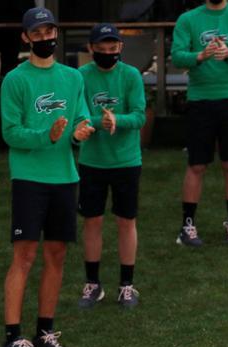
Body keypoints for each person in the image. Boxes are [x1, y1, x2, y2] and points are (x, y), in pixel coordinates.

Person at [0, 7, 95, 347]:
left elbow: (82, 117)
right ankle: (10, 342)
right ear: (26, 38)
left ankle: (44, 334)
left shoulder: (72, 77)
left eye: (49, 32)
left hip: (65, 177)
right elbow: (10, 132)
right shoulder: (15, 80)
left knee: (57, 256)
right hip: (29, 177)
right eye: (36, 34)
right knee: (24, 257)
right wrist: (47, 134)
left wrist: (81, 131)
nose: (44, 39)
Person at [170, 0, 228, 246]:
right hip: (200, 100)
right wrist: (200, 55)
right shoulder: (188, 19)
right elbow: (177, 56)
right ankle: (187, 227)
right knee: (197, 165)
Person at [77, 24, 146, 309]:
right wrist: (97, 122)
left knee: (125, 220)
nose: (108, 53)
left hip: (126, 161)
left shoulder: (131, 75)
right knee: (92, 220)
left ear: (120, 48)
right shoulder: (80, 76)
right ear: (91, 49)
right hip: (92, 161)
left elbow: (139, 115)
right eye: (102, 49)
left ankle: (126, 285)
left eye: (113, 49)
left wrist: (118, 122)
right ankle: (92, 283)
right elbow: (77, 113)